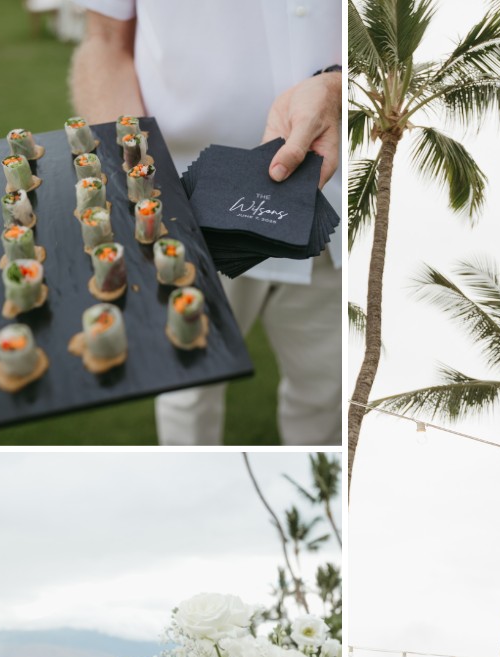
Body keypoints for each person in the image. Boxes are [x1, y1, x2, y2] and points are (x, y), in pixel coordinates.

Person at [71, 2, 342, 445]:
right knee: (186, 391)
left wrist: (337, 85)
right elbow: (104, 39)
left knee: (327, 394)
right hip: (184, 205)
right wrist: (133, 175)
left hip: (337, 194)